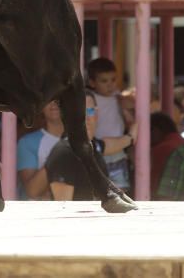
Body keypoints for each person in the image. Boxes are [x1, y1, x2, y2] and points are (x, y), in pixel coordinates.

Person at [46, 92, 110, 200]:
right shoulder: (64, 153)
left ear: (97, 114)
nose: (85, 118)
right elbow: (63, 209)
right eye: (78, 111)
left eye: (89, 111)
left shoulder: (94, 151)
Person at [84, 58, 135, 193]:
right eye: (104, 81)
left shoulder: (118, 98)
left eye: (113, 80)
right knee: (98, 189)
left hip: (118, 150)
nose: (110, 85)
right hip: (99, 149)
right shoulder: (90, 98)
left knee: (121, 189)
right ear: (92, 82)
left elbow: (132, 109)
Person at [17, 100, 65, 199]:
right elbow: (32, 192)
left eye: (59, 97)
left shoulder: (82, 140)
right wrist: (62, 150)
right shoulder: (27, 142)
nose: (54, 103)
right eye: (49, 98)